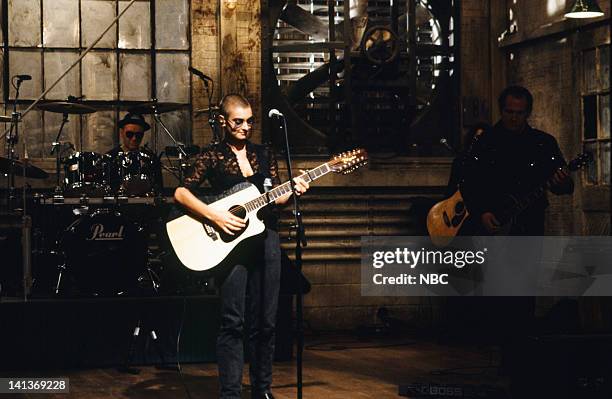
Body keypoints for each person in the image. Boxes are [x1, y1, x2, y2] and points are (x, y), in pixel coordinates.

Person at [173, 94, 309, 399]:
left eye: (249, 121)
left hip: (266, 239)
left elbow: (275, 196)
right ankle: (231, 394)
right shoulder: (212, 156)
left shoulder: (264, 153)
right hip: (231, 245)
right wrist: (214, 215)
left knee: (267, 322)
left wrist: (296, 187)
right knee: (233, 321)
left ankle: (263, 390)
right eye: (238, 121)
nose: (245, 127)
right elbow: (181, 193)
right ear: (223, 121)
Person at [463, 85, 574, 236]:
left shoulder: (543, 143)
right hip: (492, 226)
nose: (514, 118)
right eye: (509, 112)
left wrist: (563, 182)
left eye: (519, 113)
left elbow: (562, 185)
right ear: (501, 110)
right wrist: (481, 212)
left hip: (529, 225)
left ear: (527, 113)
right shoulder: (485, 142)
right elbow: (469, 182)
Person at [106, 113, 163, 196]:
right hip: (117, 206)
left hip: (145, 205)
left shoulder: (150, 158)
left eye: (139, 135)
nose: (134, 138)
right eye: (129, 134)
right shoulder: (111, 157)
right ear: (122, 133)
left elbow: (159, 188)